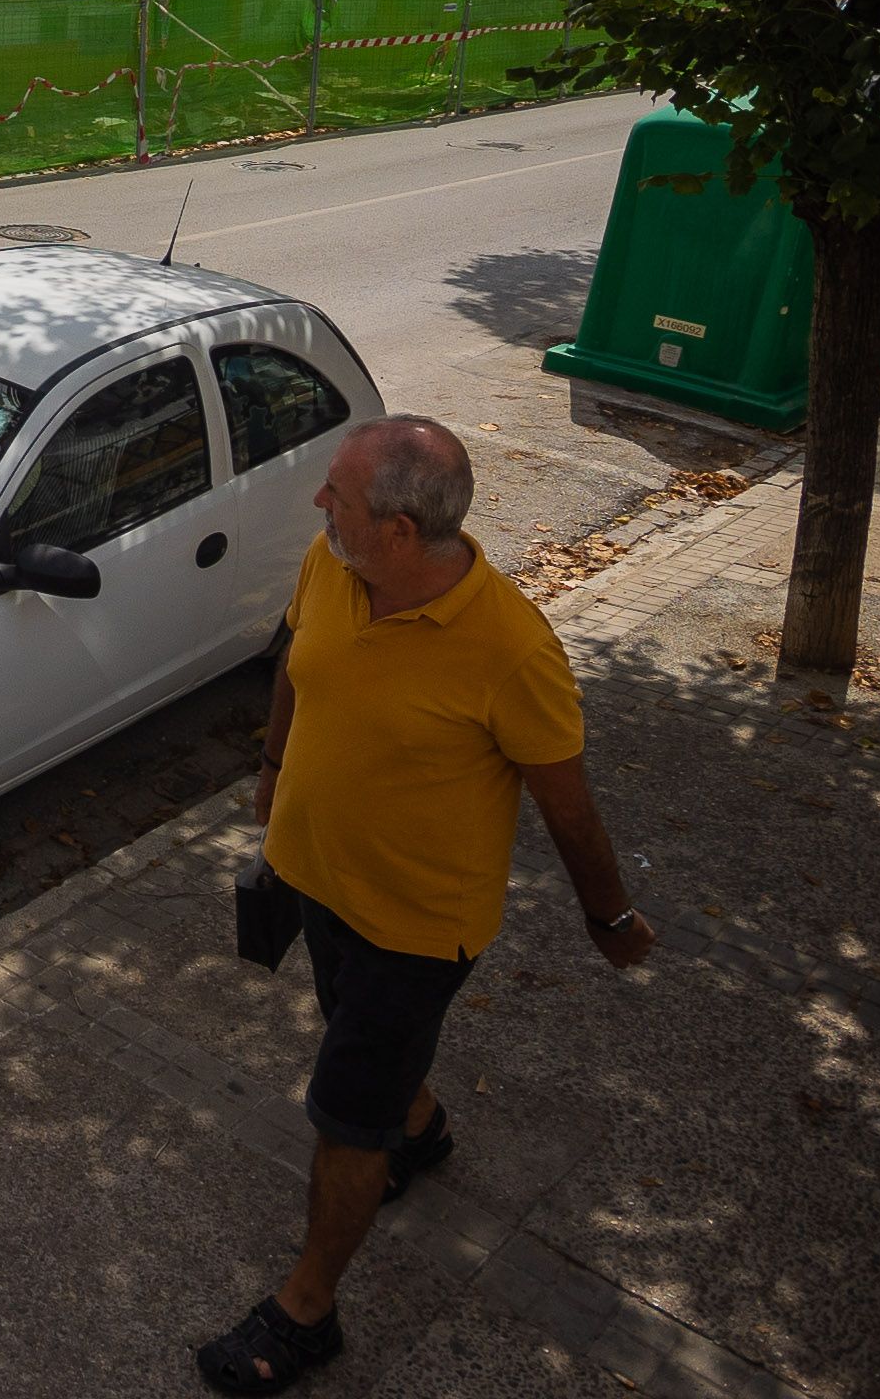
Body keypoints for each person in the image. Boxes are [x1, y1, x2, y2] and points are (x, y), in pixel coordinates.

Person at [198, 415, 654, 1393]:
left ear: (400, 530)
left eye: (339, 495)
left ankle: (308, 1311)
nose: (320, 504)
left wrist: (609, 918)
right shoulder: (337, 567)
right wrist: (273, 767)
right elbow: (294, 659)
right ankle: (424, 1124)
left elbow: (568, 806)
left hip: (414, 928)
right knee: (360, 1048)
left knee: (344, 1118)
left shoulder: (511, 649)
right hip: (318, 879)